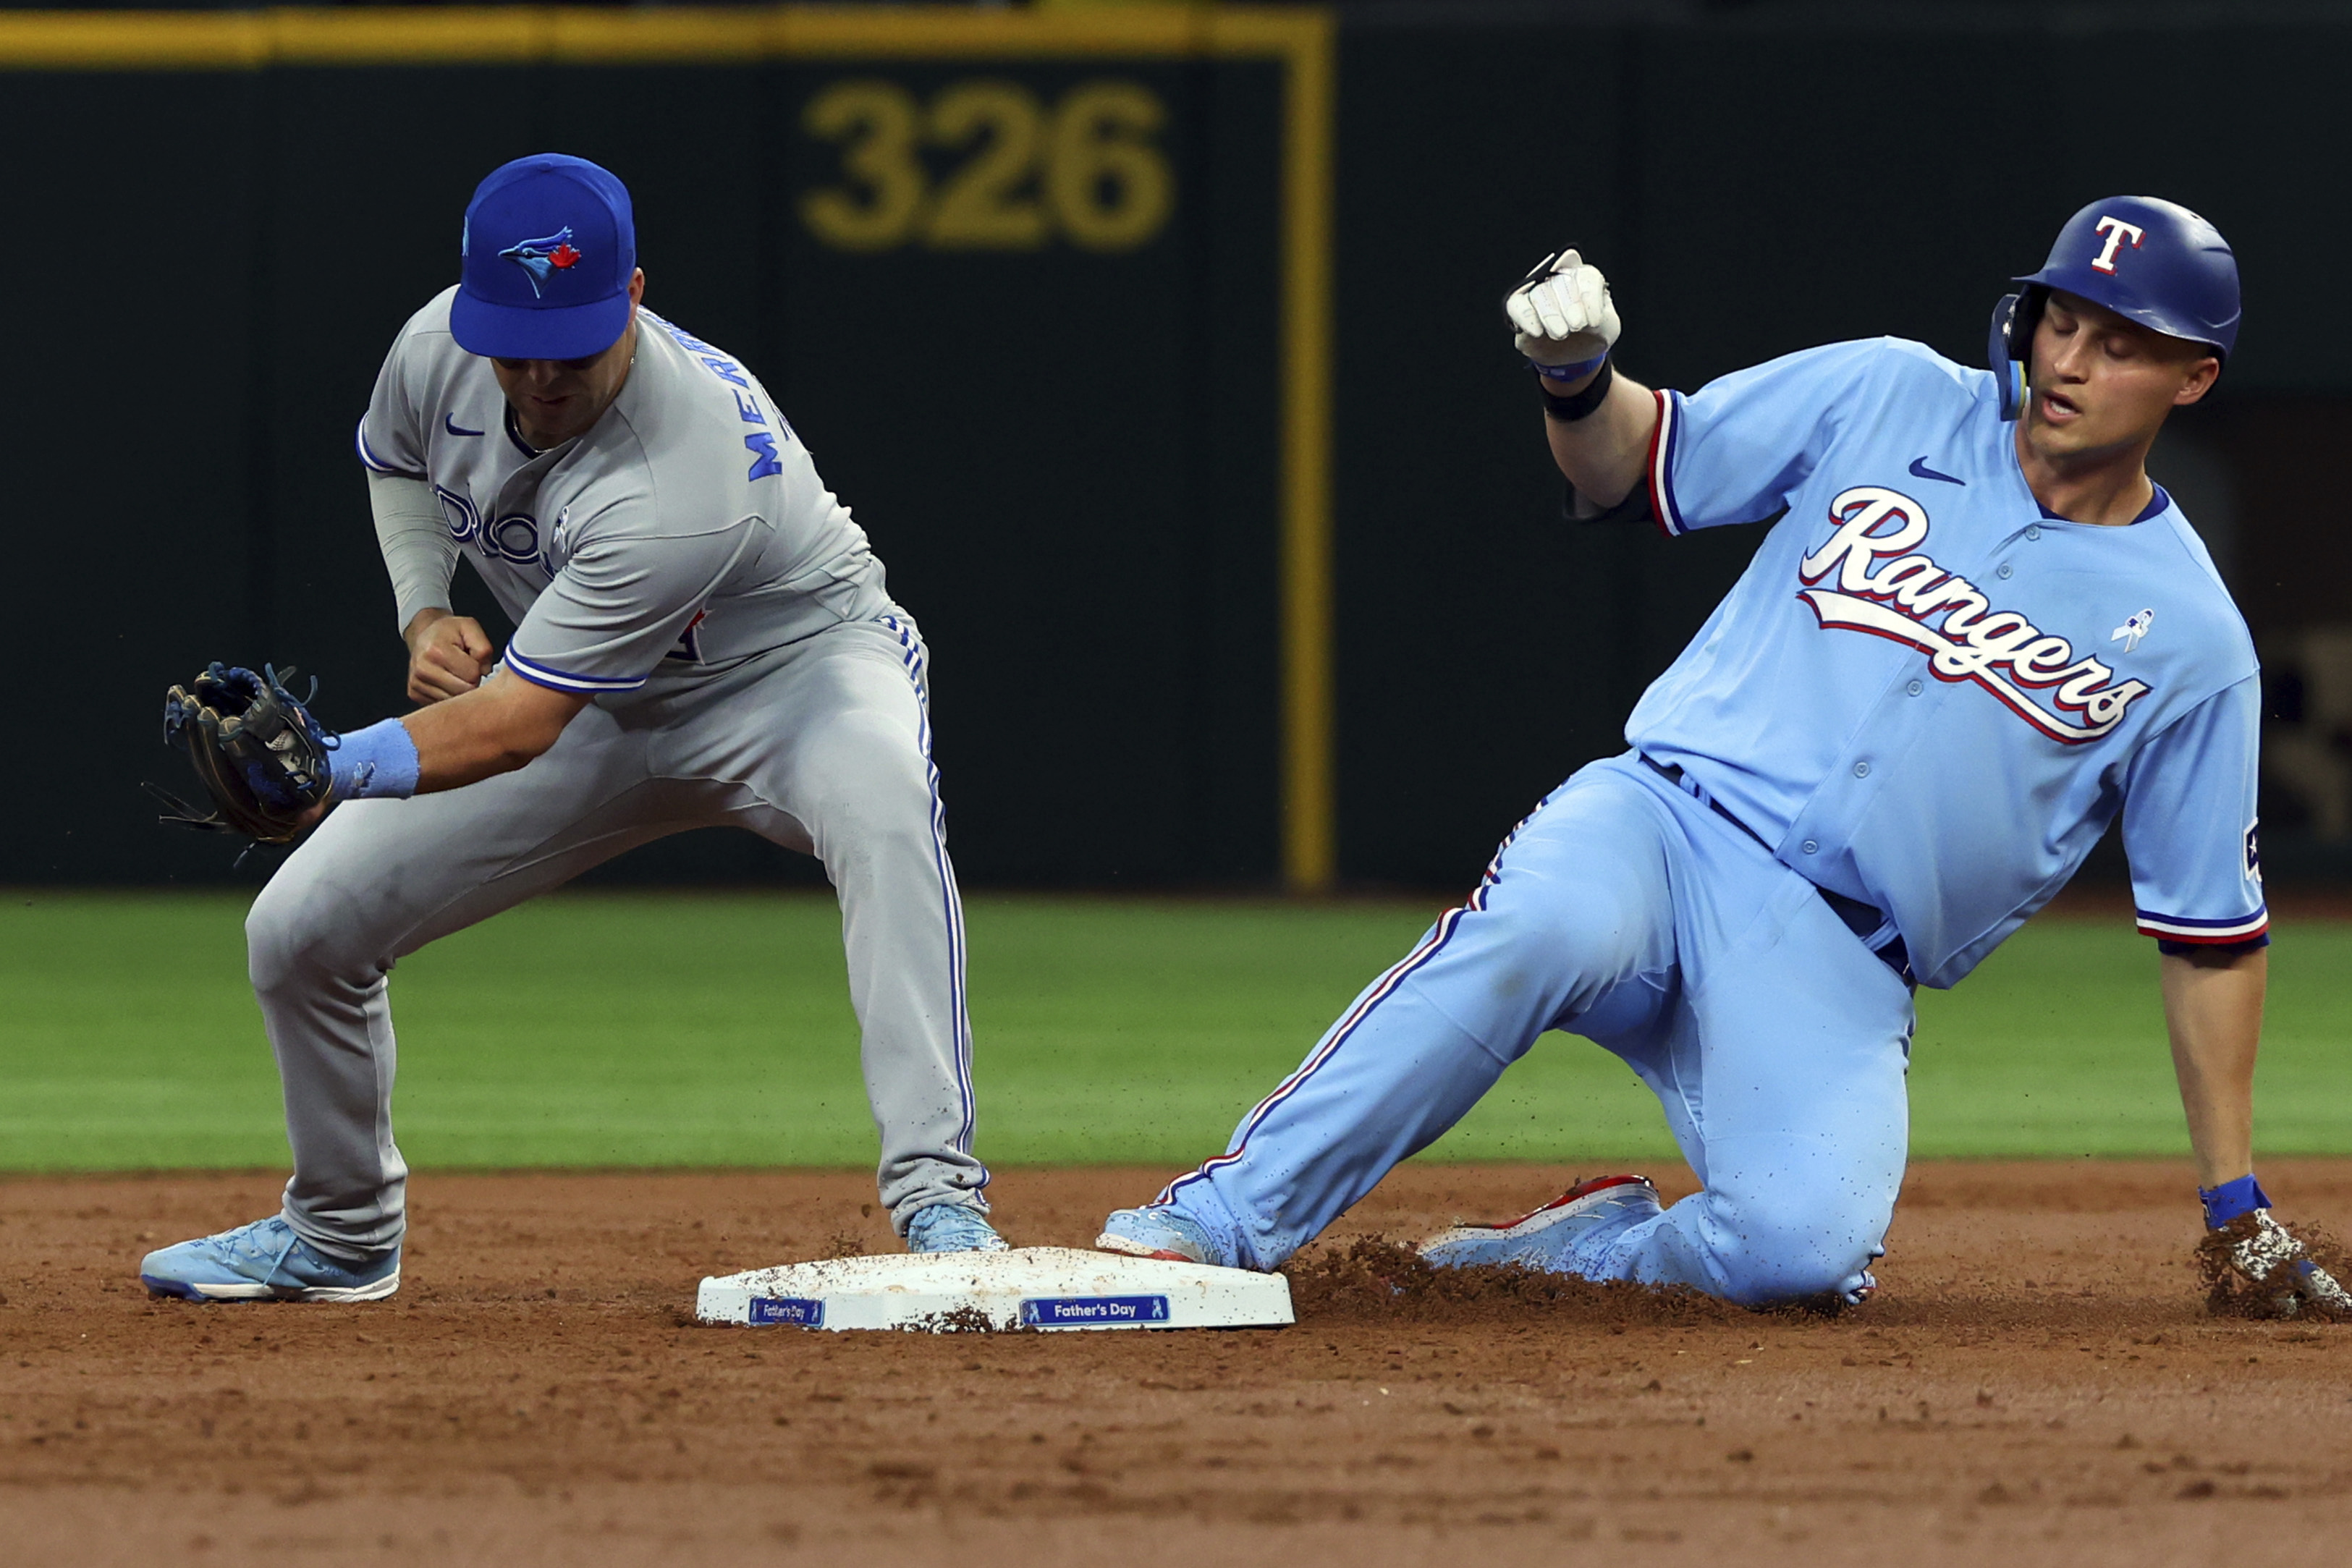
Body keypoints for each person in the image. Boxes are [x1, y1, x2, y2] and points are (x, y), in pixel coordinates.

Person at [1099, 196, 2340, 1313]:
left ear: (2193, 378)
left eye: (2119, 343)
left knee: (1797, 1253)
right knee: (1536, 933)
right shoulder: (1889, 393)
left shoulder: (2190, 640)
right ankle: (1212, 1225)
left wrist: (2234, 1209)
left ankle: (1560, 1252)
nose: (2068, 361)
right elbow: (1631, 463)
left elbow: (2208, 937)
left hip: (1838, 960)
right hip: (1663, 826)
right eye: (2060, 321)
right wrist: (1578, 382)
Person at [140, 153, 1002, 1303]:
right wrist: (424, 608)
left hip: (794, 676)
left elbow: (511, 731)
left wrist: (332, 768)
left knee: (885, 804)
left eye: (575, 345)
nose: (541, 376)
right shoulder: (436, 344)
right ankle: (341, 1235)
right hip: (597, 693)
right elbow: (394, 462)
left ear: (635, 295)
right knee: (300, 932)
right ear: (467, 307)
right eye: (515, 343)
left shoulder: (680, 470)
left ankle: (939, 1192)